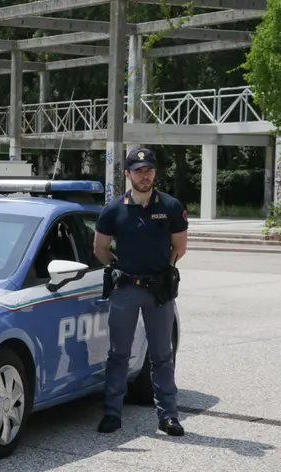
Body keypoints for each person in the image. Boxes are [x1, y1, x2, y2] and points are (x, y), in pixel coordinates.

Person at [92, 147, 188, 437]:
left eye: (148, 170)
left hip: (159, 291)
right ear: (128, 174)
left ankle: (168, 416)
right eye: (138, 170)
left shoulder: (171, 206)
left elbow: (179, 248)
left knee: (161, 355)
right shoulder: (114, 209)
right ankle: (112, 414)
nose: (144, 176)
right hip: (126, 290)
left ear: (154, 173)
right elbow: (100, 248)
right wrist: (116, 267)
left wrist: (165, 271)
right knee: (118, 354)